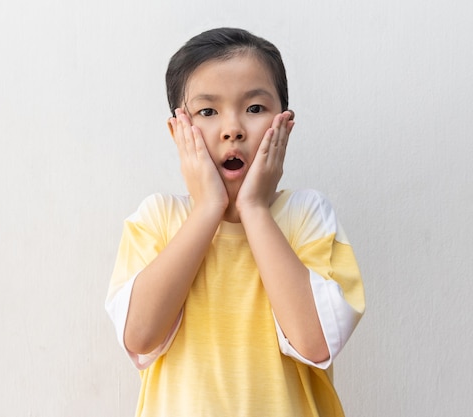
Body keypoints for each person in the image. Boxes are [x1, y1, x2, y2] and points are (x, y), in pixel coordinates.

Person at [105, 27, 365, 417]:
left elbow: (316, 342)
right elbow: (140, 336)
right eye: (207, 112)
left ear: (285, 123)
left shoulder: (308, 214)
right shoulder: (158, 218)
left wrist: (255, 210)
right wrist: (209, 207)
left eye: (255, 108)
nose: (233, 129)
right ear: (178, 130)